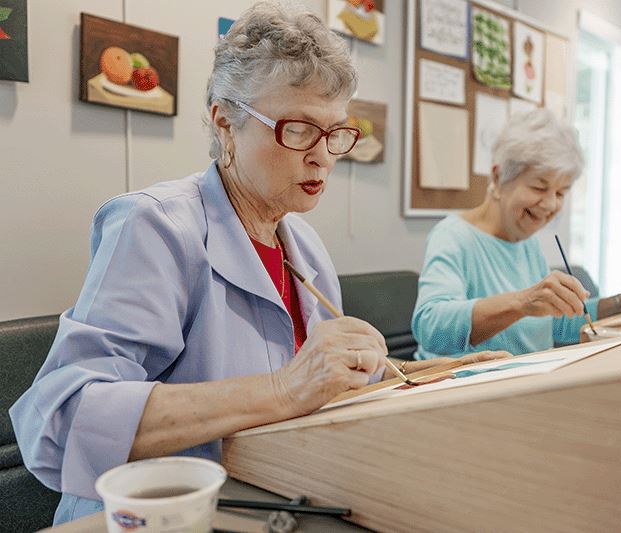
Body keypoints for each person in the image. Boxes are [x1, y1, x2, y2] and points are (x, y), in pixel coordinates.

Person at [10, 2, 505, 524]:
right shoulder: (156, 227)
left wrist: (459, 374)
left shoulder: (304, 245)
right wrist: (285, 388)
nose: (323, 157)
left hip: (274, 504)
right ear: (227, 124)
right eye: (298, 130)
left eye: (336, 132)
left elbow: (319, 391)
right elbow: (60, 424)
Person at [412, 109, 621, 359]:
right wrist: (521, 302)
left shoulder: (525, 243)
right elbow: (430, 327)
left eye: (561, 192)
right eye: (539, 187)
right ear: (499, 177)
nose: (551, 204)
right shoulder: (453, 236)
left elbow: (556, 325)